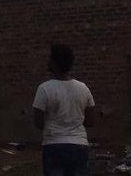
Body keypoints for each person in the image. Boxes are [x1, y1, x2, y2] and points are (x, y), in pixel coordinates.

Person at [33, 44, 95, 176]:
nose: (47, 62)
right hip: (79, 145)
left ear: (55, 63)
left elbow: (38, 123)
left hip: (53, 145)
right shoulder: (83, 88)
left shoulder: (44, 89)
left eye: (50, 59)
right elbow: (90, 121)